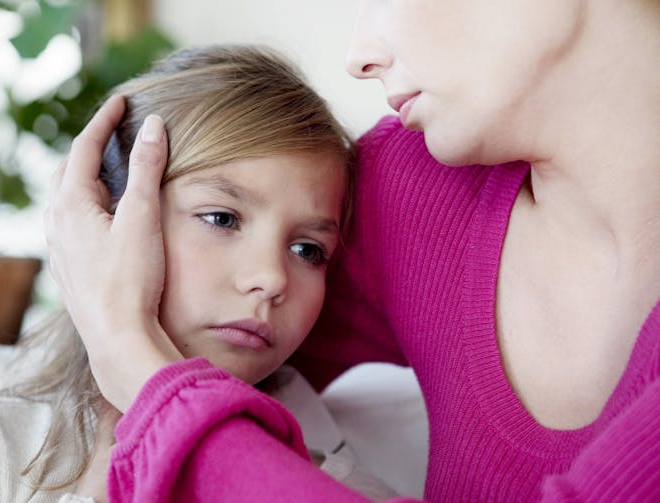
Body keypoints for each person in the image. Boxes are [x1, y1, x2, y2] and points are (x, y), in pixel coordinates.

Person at [45, 0, 660, 501]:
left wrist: (137, 363)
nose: (359, 57)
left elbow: (148, 365)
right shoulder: (411, 190)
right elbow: (200, 343)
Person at [0, 45, 399, 502]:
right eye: (222, 218)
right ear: (102, 223)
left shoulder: (338, 487)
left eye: (308, 249)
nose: (271, 278)